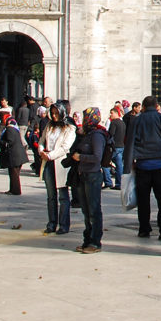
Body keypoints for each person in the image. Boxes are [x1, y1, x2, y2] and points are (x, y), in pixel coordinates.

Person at [130, 96, 161, 241]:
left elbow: (130, 143)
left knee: (143, 199)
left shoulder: (137, 120)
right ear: (156, 106)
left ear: (143, 106)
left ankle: (144, 228)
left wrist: (129, 162)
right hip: (160, 164)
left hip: (142, 164)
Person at [69, 107, 107, 253]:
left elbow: (97, 157)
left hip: (92, 175)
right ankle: (87, 240)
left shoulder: (97, 135)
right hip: (82, 175)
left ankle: (95, 242)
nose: (85, 120)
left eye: (86, 117)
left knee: (94, 210)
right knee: (86, 210)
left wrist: (81, 157)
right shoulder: (87, 133)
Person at [40, 103, 75, 235]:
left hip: (60, 163)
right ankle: (51, 223)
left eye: (57, 113)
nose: (54, 116)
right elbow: (42, 140)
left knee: (63, 195)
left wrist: (50, 155)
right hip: (48, 162)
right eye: (52, 113)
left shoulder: (69, 128)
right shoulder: (49, 126)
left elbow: (65, 147)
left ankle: (64, 224)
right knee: (51, 196)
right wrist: (41, 150)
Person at [0, 108, 27, 195]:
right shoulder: (14, 129)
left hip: (14, 155)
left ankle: (16, 190)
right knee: (13, 173)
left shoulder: (10, 130)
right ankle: (12, 189)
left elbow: (10, 142)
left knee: (14, 174)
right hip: (17, 155)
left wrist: (1, 143)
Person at [105, 105, 125, 191]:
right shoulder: (122, 123)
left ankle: (108, 182)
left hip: (114, 147)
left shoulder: (114, 122)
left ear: (116, 113)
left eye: (112, 113)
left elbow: (111, 134)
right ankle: (119, 183)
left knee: (104, 163)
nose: (110, 115)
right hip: (121, 146)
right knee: (119, 166)